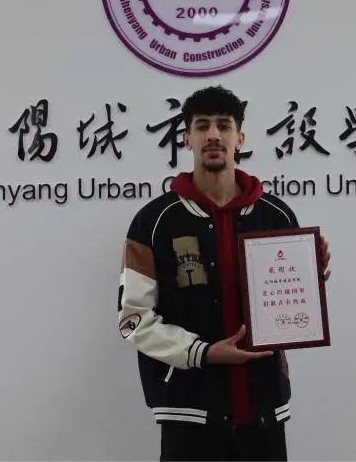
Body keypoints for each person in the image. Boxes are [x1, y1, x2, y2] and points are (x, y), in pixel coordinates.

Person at [117, 86, 331, 462]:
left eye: (224, 125)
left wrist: (309, 283)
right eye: (202, 126)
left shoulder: (276, 216)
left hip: (264, 413)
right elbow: (133, 320)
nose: (213, 134)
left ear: (240, 138)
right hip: (189, 413)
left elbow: (288, 310)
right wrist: (203, 353)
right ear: (186, 138)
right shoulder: (152, 222)